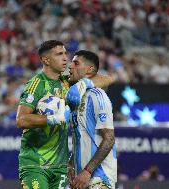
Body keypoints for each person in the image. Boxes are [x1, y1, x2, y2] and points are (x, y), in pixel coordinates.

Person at [16, 40, 114, 189]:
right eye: (59, 54)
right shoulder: (36, 84)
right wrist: (53, 119)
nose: (65, 58)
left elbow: (108, 79)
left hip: (60, 167)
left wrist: (84, 83)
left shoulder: (67, 83)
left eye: (65, 53)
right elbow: (21, 120)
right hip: (35, 164)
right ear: (46, 60)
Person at [66, 50, 117, 189]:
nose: (70, 66)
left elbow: (109, 139)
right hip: (81, 178)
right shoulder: (76, 99)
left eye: (76, 63)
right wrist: (72, 163)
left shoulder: (97, 95)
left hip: (99, 178)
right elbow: (82, 138)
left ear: (90, 70)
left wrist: (88, 171)